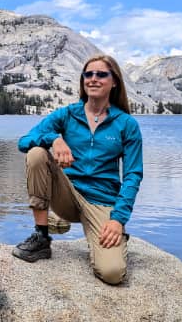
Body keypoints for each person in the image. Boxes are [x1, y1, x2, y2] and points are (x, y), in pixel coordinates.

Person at [12, 54, 143, 284]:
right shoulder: (68, 114)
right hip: (67, 195)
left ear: (114, 82)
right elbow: (24, 141)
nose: (93, 79)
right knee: (36, 153)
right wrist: (54, 139)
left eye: (101, 74)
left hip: (101, 201)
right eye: (88, 74)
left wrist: (118, 220)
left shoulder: (126, 124)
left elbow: (133, 175)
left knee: (112, 273)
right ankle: (41, 237)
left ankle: (104, 235)